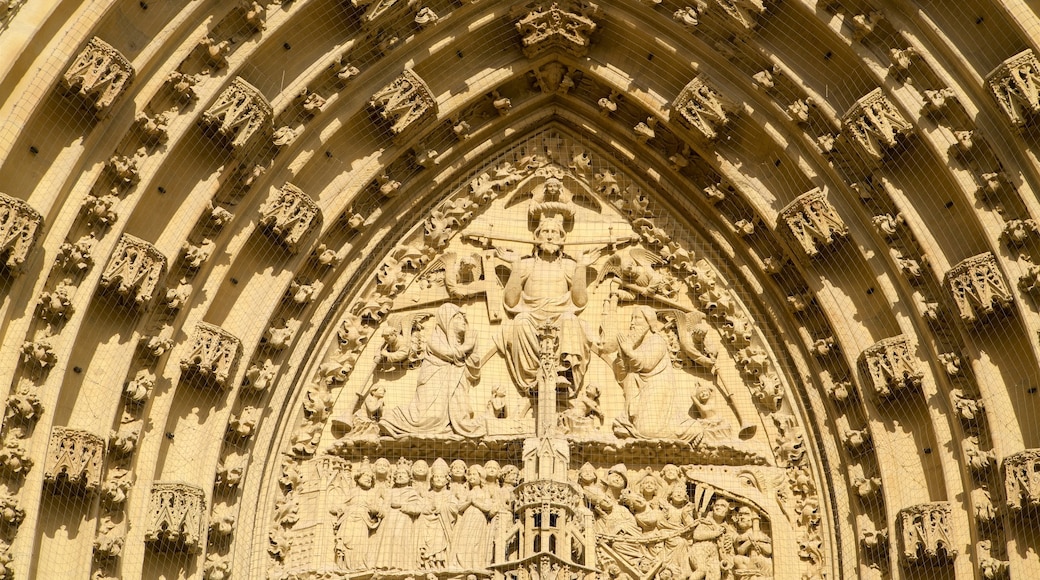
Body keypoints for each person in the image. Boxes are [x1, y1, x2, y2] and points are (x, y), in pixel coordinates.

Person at [493, 198, 599, 401]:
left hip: (561, 319)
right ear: (537, 237)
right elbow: (512, 301)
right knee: (520, 321)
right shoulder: (526, 264)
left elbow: (578, 301)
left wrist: (581, 266)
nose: (550, 237)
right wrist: (515, 265)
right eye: (545, 232)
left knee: (570, 319)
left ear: (562, 238)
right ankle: (534, 377)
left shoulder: (568, 265)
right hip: (531, 319)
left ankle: (564, 373)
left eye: (554, 233)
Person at [381, 303, 485, 437]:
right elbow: (451, 354)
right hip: (433, 385)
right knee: (430, 417)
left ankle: (452, 425)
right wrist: (468, 345)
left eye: (464, 319)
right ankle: (393, 419)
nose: (463, 322)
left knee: (460, 411)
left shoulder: (463, 344)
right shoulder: (435, 340)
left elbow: (474, 370)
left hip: (455, 387)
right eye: (458, 318)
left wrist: (473, 347)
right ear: (447, 322)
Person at [611, 306, 706, 442]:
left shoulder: (657, 341)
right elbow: (622, 376)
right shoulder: (636, 346)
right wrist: (621, 356)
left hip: (656, 391)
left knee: (647, 431)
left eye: (636, 318)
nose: (632, 323)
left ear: (648, 322)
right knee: (641, 429)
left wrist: (629, 352)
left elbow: (646, 364)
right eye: (631, 318)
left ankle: (692, 429)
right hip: (641, 394)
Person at [332, 466, 383, 570]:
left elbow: (377, 508)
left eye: (370, 477)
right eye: (365, 475)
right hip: (348, 518)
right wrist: (338, 509)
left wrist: (375, 510)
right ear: (358, 477)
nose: (368, 478)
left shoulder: (372, 493)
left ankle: (359, 565)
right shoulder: (352, 491)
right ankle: (343, 566)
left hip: (362, 519)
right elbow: (342, 504)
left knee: (360, 542)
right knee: (345, 541)